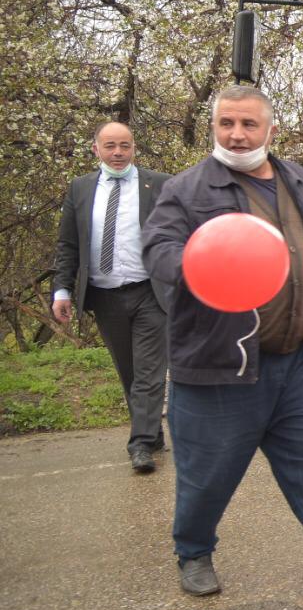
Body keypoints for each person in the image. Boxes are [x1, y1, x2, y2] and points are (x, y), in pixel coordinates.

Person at [141, 85, 303, 598]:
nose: (237, 135)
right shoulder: (188, 190)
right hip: (220, 368)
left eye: (248, 125)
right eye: (226, 124)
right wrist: (201, 269)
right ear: (213, 127)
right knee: (207, 477)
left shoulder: (299, 181)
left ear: (269, 130)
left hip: (297, 364)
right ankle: (194, 553)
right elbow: (157, 250)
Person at [52, 122, 173, 473]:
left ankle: (139, 445)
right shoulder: (80, 189)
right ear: (96, 149)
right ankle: (152, 433)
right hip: (105, 296)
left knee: (150, 372)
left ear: (134, 148)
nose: (118, 153)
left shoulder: (159, 184)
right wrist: (62, 289)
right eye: (110, 146)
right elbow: (68, 244)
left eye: (124, 145)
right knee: (130, 372)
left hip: (151, 292)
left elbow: (180, 233)